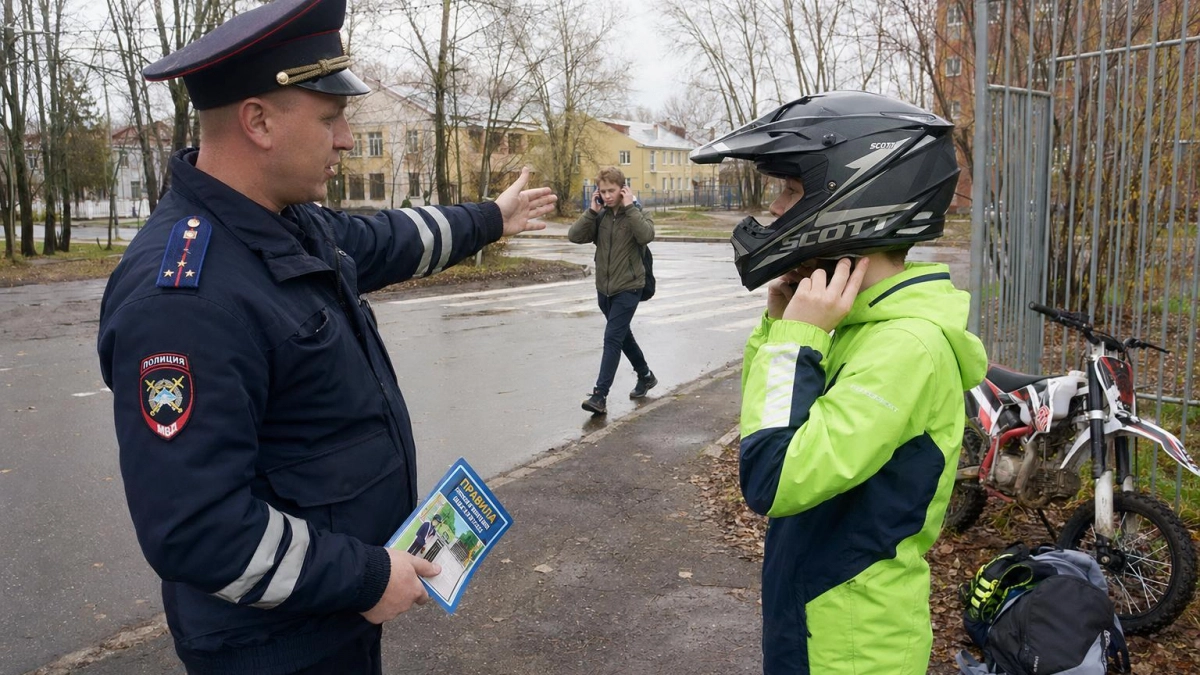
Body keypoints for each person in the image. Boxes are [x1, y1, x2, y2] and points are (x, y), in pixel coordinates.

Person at [95, 0, 556, 672]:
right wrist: (365, 576)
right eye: (331, 118)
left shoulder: (285, 224)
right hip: (271, 649)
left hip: (326, 625)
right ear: (257, 121)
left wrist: (492, 217)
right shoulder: (184, 298)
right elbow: (198, 528)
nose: (344, 138)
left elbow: (392, 240)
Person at [690, 91, 988, 674]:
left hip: (852, 648)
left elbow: (773, 477)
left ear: (860, 196)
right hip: (808, 620)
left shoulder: (905, 347)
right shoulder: (851, 322)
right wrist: (781, 329)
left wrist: (795, 341)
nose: (774, 211)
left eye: (791, 190)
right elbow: (767, 421)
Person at [567, 167, 656, 415]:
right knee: (622, 336)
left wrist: (630, 207)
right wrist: (591, 211)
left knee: (612, 339)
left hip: (629, 287)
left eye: (611, 191)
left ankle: (599, 396)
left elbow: (646, 235)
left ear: (623, 190)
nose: (606, 196)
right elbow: (574, 236)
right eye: (602, 191)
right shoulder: (601, 216)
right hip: (604, 289)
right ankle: (646, 375)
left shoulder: (637, 214)